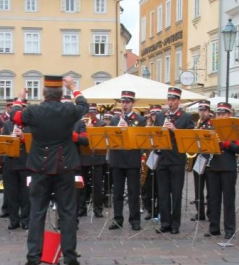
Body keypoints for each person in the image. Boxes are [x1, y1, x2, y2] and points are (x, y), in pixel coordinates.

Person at [11, 75, 87, 265]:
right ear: (61, 93)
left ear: (43, 92)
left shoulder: (34, 111)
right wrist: (73, 87)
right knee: (67, 212)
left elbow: (15, 116)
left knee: (37, 212)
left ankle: (33, 256)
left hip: (40, 167)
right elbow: (83, 105)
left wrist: (20, 98)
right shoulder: (68, 110)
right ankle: (69, 255)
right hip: (64, 166)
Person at [154, 87, 195, 235]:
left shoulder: (186, 117)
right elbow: (154, 134)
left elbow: (189, 138)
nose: (170, 102)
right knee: (163, 193)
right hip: (162, 159)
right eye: (169, 99)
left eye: (173, 100)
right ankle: (165, 223)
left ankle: (175, 224)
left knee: (176, 194)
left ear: (179, 101)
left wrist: (175, 130)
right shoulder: (160, 116)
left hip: (177, 159)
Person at [109, 90, 147, 231]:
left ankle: (135, 220)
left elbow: (141, 141)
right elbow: (110, 139)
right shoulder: (114, 120)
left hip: (132, 160)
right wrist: (116, 129)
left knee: (133, 192)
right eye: (123, 102)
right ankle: (117, 219)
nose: (124, 104)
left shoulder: (140, 120)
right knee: (117, 192)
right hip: (117, 159)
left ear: (132, 103)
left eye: (127, 102)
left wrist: (128, 129)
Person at [205, 102, 239, 239]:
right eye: (218, 113)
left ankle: (229, 229)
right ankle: (214, 227)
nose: (220, 116)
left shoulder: (235, 128)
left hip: (228, 166)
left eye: (223, 114)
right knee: (213, 199)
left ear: (229, 114)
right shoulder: (212, 126)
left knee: (228, 200)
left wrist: (224, 142)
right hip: (213, 165)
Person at [0, 102, 30, 230]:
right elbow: (2, 142)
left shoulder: (30, 125)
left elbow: (35, 142)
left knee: (26, 195)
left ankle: (25, 220)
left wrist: (22, 136)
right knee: (11, 194)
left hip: (26, 163)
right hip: (10, 163)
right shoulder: (8, 124)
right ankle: (14, 220)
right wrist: (10, 138)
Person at [80, 104, 106, 218]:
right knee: (82, 184)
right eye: (88, 112)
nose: (90, 114)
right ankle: (81, 207)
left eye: (92, 112)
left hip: (97, 157)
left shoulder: (101, 124)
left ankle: (98, 208)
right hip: (84, 157)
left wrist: (92, 130)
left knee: (97, 184)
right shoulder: (81, 123)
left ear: (96, 113)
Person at [190, 100, 212, 222]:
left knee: (210, 188)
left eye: (204, 110)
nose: (202, 112)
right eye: (200, 110)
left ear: (209, 111)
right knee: (198, 188)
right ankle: (200, 212)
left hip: (208, 159)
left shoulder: (212, 124)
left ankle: (210, 213)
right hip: (199, 158)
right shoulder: (198, 123)